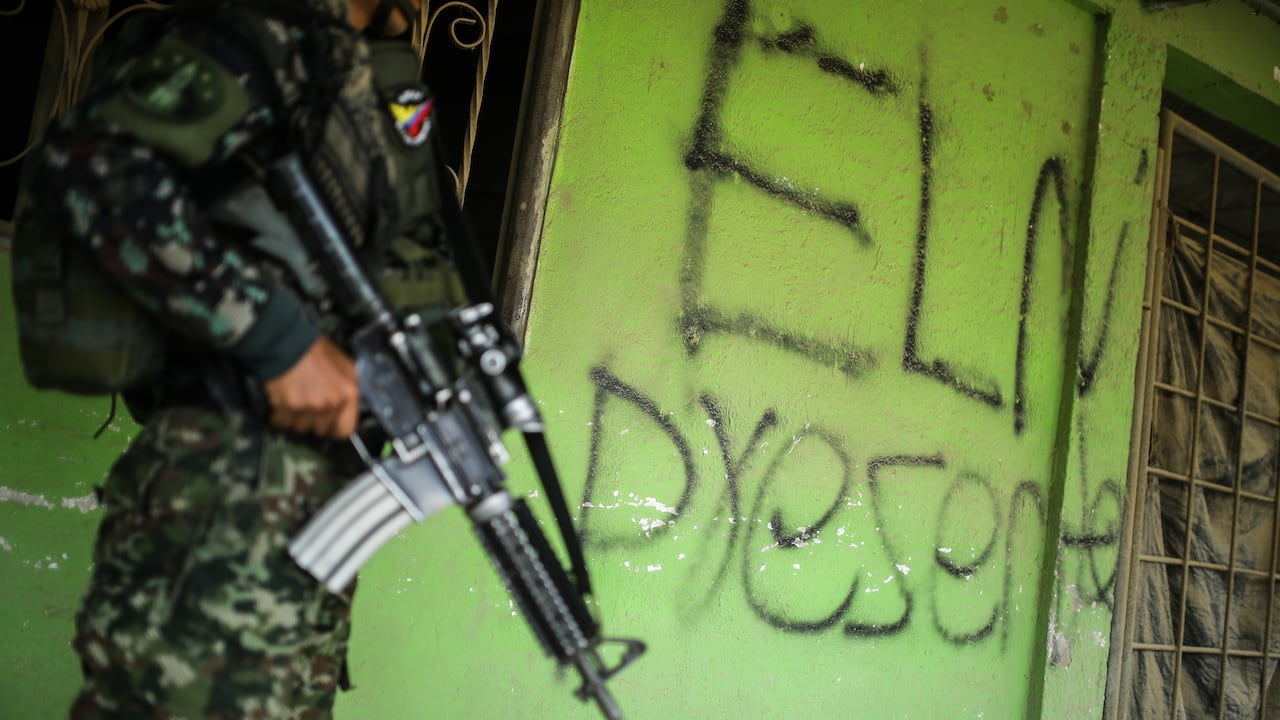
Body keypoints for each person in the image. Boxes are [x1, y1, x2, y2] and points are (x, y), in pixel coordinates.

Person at [15, 0, 457, 716]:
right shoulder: (267, 32)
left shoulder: (367, 61)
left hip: (315, 496)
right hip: (226, 487)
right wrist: (282, 345)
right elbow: (91, 161)